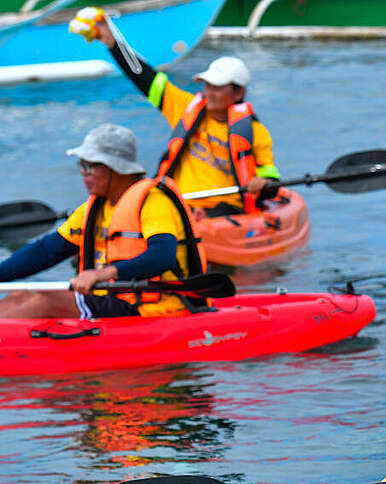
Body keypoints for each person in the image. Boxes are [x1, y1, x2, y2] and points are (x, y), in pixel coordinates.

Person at [73, 9, 279, 219]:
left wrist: (263, 183)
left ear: (238, 92)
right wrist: (112, 43)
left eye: (217, 87)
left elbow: (269, 177)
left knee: (213, 214)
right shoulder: (186, 107)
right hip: (178, 204)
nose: (209, 92)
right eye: (207, 85)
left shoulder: (256, 132)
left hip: (224, 209)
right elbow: (146, 78)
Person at [0, 124, 206, 319]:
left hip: (152, 307)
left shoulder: (154, 202)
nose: (83, 174)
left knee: (48, 302)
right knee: (21, 295)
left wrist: (103, 274)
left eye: (88, 166)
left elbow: (163, 256)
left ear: (112, 167)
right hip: (112, 298)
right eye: (82, 166)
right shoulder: (96, 207)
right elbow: (45, 251)